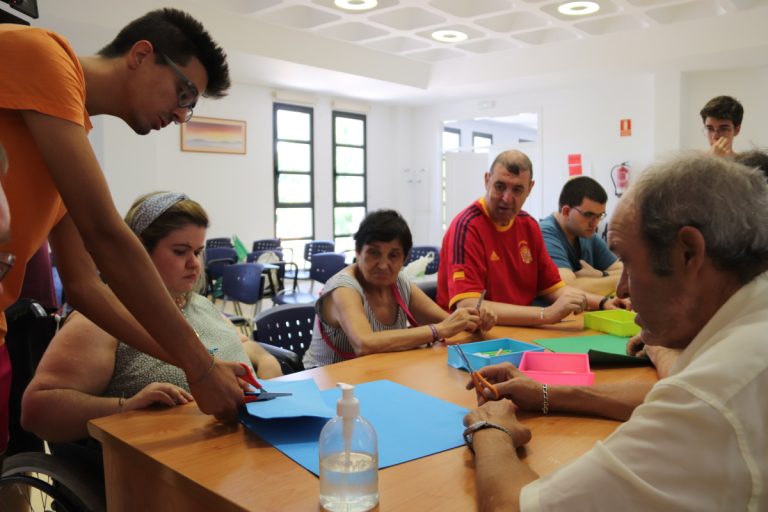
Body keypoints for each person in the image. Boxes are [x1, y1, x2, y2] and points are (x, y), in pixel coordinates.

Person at [463, 152, 768, 511]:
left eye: (630, 263)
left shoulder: (713, 397)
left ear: (689, 254)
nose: (621, 289)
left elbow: (512, 507)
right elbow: (666, 397)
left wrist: (492, 430)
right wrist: (545, 393)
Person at [0, 8, 245, 435]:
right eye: (183, 94)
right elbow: (106, 235)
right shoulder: (41, 52)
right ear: (141, 55)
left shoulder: (68, 149)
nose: (180, 115)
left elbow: (86, 286)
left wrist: (192, 363)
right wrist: (200, 367)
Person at [21, 192, 281, 443]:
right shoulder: (104, 319)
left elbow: (245, 346)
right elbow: (37, 409)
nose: (194, 264)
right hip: (164, 464)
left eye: (198, 251)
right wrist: (124, 408)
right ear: (139, 254)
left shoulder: (199, 305)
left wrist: (267, 364)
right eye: (180, 251)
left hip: (238, 446)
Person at [436, 150, 627, 327]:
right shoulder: (467, 227)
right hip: (468, 337)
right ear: (487, 180)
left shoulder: (528, 225)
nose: (506, 198)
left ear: (530, 188)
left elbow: (554, 289)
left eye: (517, 190)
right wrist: (545, 314)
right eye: (499, 186)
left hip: (522, 331)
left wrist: (604, 303)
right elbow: (468, 305)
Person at [302, 210, 496, 368]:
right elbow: (364, 343)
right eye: (374, 253)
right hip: (327, 387)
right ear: (358, 253)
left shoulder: (398, 283)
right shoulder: (343, 288)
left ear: (404, 259)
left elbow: (447, 321)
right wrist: (438, 330)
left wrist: (474, 319)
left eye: (393, 255)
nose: (383, 265)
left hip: (375, 376)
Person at [540, 176, 622, 296]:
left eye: (600, 215)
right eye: (588, 215)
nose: (595, 223)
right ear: (566, 211)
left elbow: (625, 270)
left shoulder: (586, 232)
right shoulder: (545, 233)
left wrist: (601, 275)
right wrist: (621, 279)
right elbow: (566, 289)